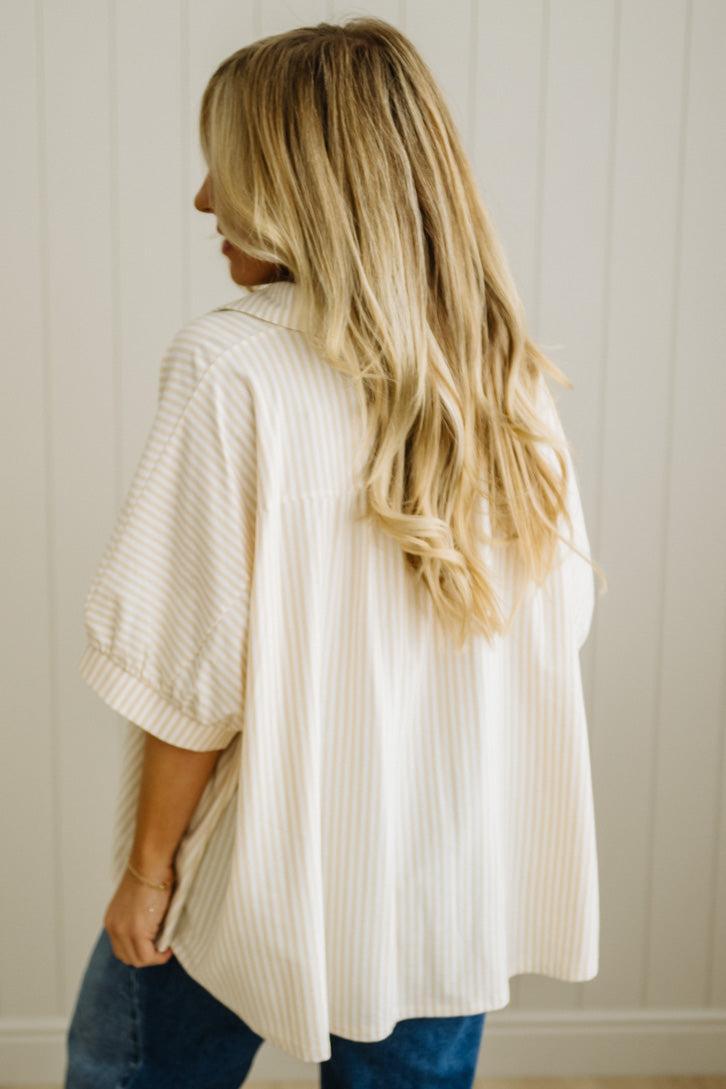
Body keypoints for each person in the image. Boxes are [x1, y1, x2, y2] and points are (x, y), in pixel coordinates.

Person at [63, 15, 605, 1089]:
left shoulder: (233, 367)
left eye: (227, 167)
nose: (204, 200)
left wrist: (148, 873)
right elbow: (557, 623)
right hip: (444, 875)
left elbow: (187, 676)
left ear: (299, 187)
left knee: (124, 1071)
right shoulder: (502, 372)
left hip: (258, 859)